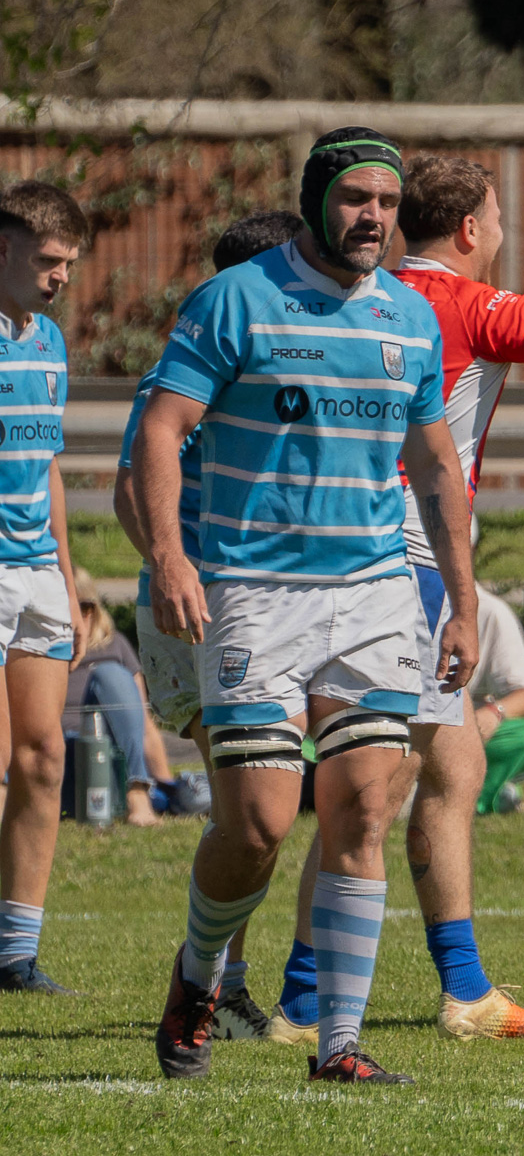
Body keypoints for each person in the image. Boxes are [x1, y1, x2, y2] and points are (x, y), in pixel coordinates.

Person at [259, 153, 524, 1046]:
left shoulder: (371, 291)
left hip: (375, 555)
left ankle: (447, 989)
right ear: (469, 231)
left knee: (445, 770)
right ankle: (312, 1003)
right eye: (497, 220)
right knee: (371, 790)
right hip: (408, 565)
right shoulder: (459, 300)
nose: (501, 234)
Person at [140, 127, 478, 1085]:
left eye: (386, 200)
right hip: (253, 591)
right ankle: (196, 978)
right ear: (318, 197)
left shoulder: (410, 320)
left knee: (365, 808)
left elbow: (435, 468)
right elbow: (161, 430)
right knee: (255, 824)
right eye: (355, 198)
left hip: (372, 593)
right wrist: (171, 557)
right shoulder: (234, 299)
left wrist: (461, 601)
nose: (373, 216)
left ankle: (338, 1045)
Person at [114, 208, 308, 1041]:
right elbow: (130, 482)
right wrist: (174, 568)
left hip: (274, 603)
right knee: (248, 809)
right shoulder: (184, 369)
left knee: (261, 808)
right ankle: (217, 988)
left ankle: (224, 981)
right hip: (198, 610)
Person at [0, 182, 90, 997]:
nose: (60, 275)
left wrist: (68, 573)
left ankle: (15, 951)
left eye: (68, 262)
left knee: (43, 756)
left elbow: (49, 462)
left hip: (35, 573)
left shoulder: (50, 341)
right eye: (47, 259)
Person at [60, 567, 177, 828]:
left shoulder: (115, 646)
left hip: (111, 761)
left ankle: (137, 794)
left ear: (92, 610)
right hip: (59, 762)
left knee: (112, 675)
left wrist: (169, 787)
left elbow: (144, 726)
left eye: (82, 607)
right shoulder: (39, 655)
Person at [469, 582, 524, 815]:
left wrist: (493, 713)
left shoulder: (489, 611)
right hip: (397, 725)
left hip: (461, 732)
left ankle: (473, 800)